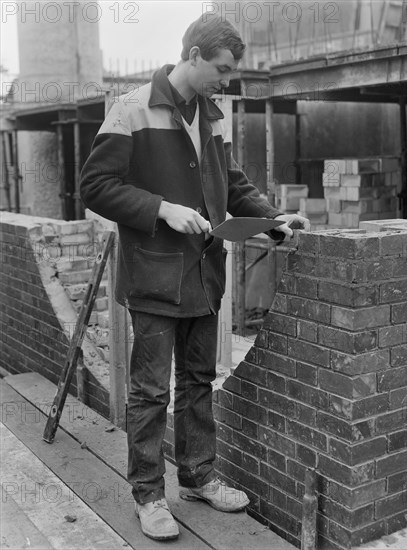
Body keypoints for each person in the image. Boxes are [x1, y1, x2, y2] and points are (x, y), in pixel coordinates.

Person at [80, 15, 310, 542]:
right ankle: (148, 495)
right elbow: (94, 185)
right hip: (155, 281)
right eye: (221, 70)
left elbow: (230, 182)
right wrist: (161, 208)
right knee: (150, 392)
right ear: (193, 55)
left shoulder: (213, 114)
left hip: (205, 277)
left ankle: (198, 477)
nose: (226, 81)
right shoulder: (132, 108)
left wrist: (273, 220)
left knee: (199, 381)